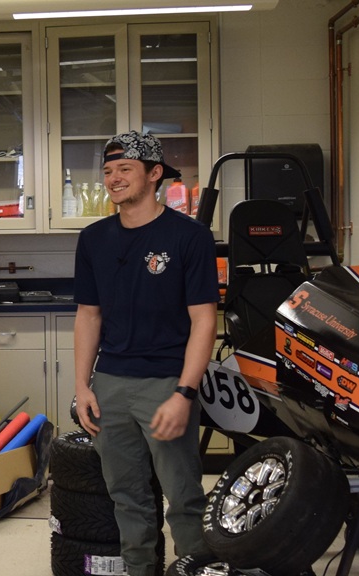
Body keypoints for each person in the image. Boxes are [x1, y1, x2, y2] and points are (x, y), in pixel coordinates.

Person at [73, 130, 219, 576]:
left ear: (154, 175)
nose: (114, 179)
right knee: (126, 496)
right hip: (110, 384)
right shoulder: (94, 238)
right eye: (108, 171)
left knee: (184, 497)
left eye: (125, 170)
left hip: (164, 383)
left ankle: (197, 569)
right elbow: (88, 316)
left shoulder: (189, 237)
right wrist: (83, 386)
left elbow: (204, 322)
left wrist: (184, 394)